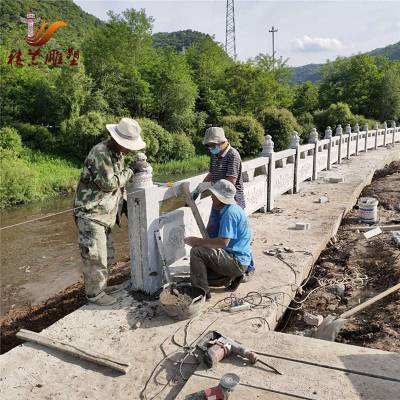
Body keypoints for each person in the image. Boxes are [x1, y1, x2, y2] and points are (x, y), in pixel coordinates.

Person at [73, 117, 146, 306]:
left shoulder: (117, 154)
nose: (130, 149)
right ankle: (95, 294)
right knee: (96, 257)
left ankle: (102, 287)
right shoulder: (100, 153)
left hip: (104, 215)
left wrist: (124, 205)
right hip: (91, 214)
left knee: (109, 254)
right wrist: (131, 171)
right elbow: (108, 183)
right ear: (116, 139)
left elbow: (117, 189)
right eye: (128, 145)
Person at [193, 126, 255, 280]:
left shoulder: (233, 155)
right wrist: (199, 188)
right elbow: (212, 173)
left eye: (213, 146)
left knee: (237, 237)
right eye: (209, 146)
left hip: (231, 200)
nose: (211, 149)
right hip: (217, 200)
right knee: (212, 232)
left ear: (222, 142)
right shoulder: (215, 155)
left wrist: (210, 186)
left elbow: (231, 182)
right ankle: (220, 264)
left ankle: (247, 267)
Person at [184, 179, 252, 300]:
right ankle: (232, 277)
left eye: (214, 195)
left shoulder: (229, 213)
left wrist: (196, 241)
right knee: (198, 275)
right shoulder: (233, 208)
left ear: (221, 198)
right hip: (240, 259)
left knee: (196, 251)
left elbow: (223, 242)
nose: (211, 198)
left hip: (236, 261)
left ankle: (201, 293)